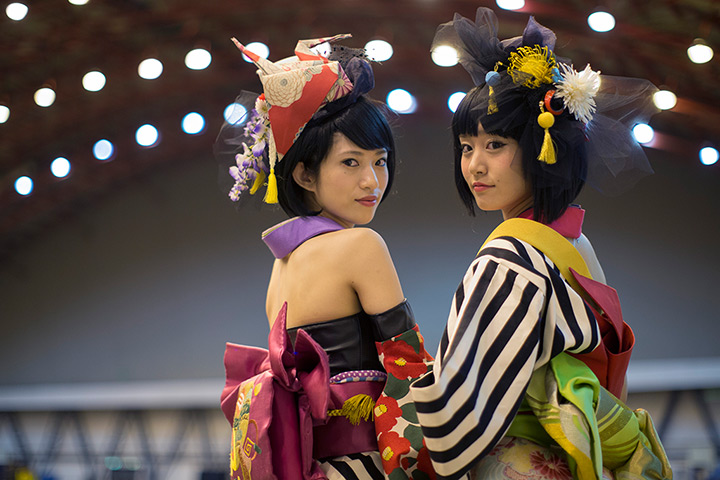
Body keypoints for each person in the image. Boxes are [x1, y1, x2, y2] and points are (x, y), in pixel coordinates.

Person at [373, 8, 673, 480]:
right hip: (581, 457)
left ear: (540, 146)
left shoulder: (511, 257)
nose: (474, 165)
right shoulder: (575, 243)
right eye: (467, 147)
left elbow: (457, 422)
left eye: (495, 145)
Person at [217, 35, 422, 480]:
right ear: (304, 174)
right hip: (368, 466)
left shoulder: (281, 263)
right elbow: (409, 370)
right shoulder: (361, 246)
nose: (372, 180)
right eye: (351, 163)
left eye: (380, 161)